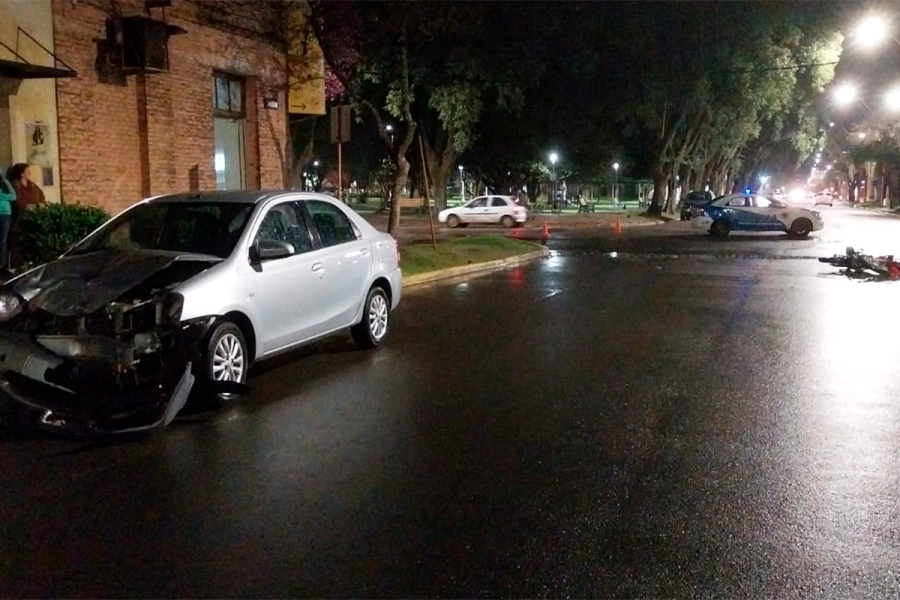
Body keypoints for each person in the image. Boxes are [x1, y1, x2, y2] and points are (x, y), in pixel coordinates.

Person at [0, 166, 16, 270]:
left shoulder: (4, 185)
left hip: (5, 214)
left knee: (3, 240)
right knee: (2, 240)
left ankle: (3, 263)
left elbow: (13, 196)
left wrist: (5, 181)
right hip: (4, 214)